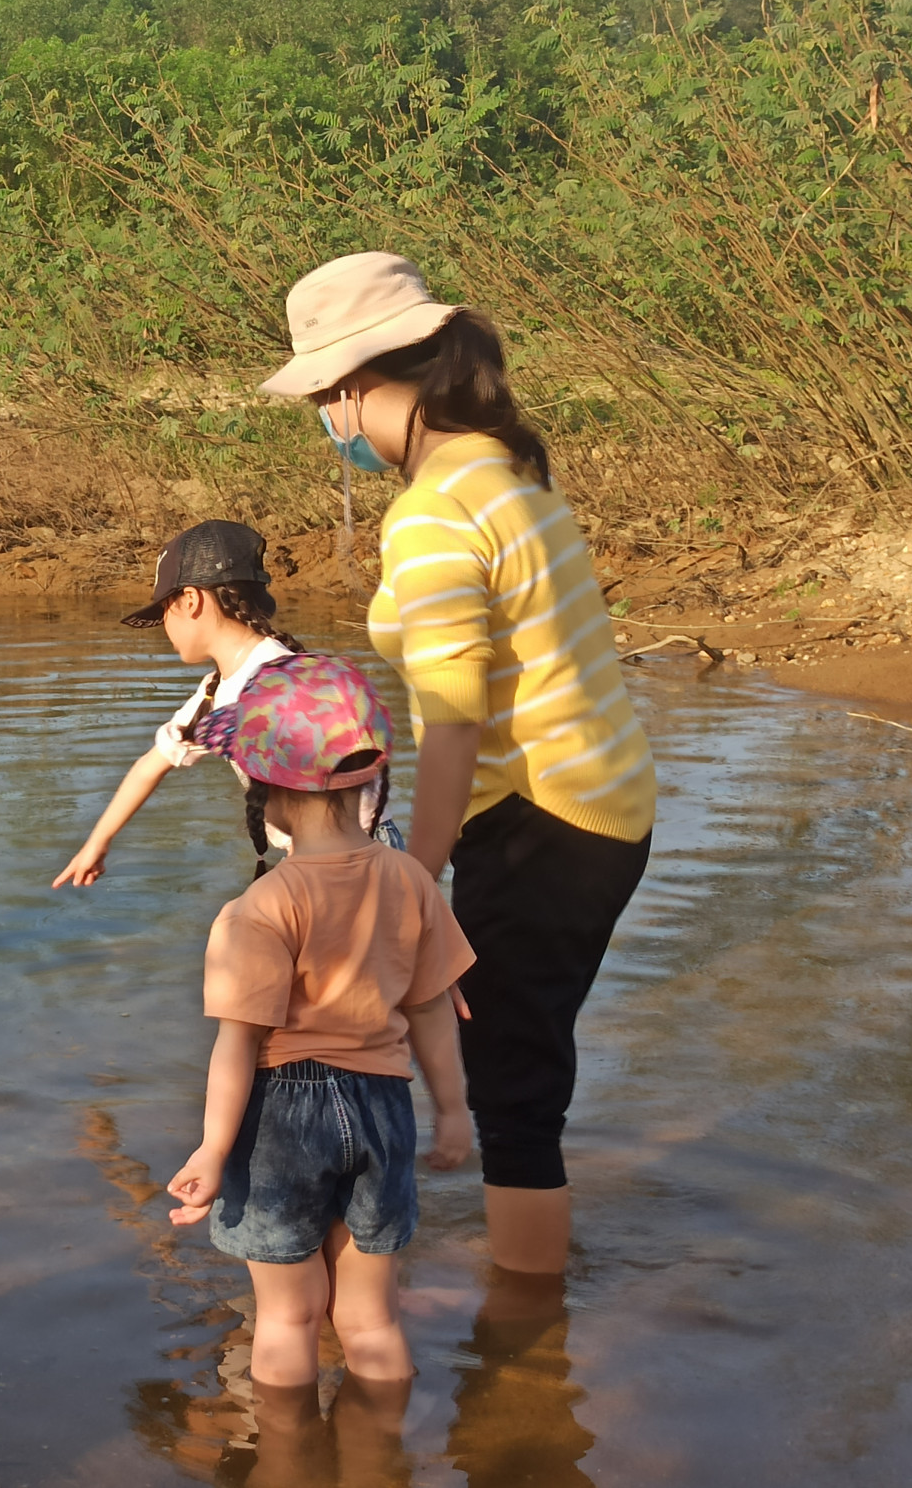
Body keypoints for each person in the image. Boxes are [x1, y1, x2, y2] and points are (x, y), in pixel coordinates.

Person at [262, 251, 656, 1274]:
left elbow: (450, 721)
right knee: (514, 1066)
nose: (327, 426)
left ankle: (522, 1346)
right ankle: (520, 1304)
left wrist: (409, 881)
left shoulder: (433, 510)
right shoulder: (501, 466)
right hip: (599, 802)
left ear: (351, 389)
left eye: (322, 400)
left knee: (513, 1093)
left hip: (540, 818)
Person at [165, 653, 475, 1391]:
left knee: (286, 1319)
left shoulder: (259, 909)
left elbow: (237, 1045)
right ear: (370, 779)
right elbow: (432, 1009)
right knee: (371, 1320)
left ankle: (288, 1464)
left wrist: (211, 1151)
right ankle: (381, 1460)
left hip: (282, 1115)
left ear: (265, 792)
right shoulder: (411, 882)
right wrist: (455, 1111)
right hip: (384, 1104)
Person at [54, 519, 310, 888]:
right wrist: (96, 844)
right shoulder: (216, 689)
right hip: (323, 855)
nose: (163, 627)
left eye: (163, 613)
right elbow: (150, 766)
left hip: (340, 855)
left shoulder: (274, 682)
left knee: (233, 932)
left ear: (190, 600)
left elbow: (329, 796)